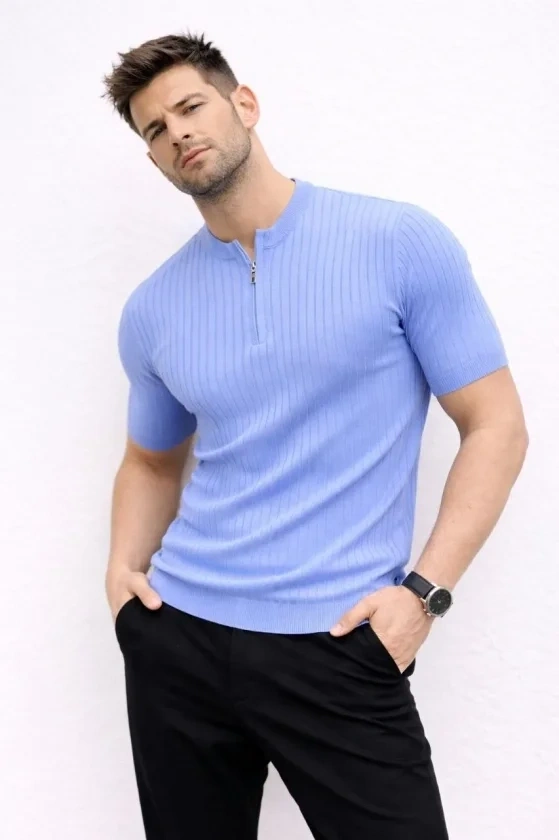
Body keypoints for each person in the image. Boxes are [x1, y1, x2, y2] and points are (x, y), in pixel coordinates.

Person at [101, 31, 529, 840]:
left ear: (243, 104)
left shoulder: (396, 242)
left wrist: (423, 595)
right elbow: (150, 462)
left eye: (190, 106)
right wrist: (123, 577)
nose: (178, 132)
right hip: (179, 642)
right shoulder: (153, 308)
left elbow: (495, 426)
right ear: (152, 158)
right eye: (155, 128)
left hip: (338, 642)